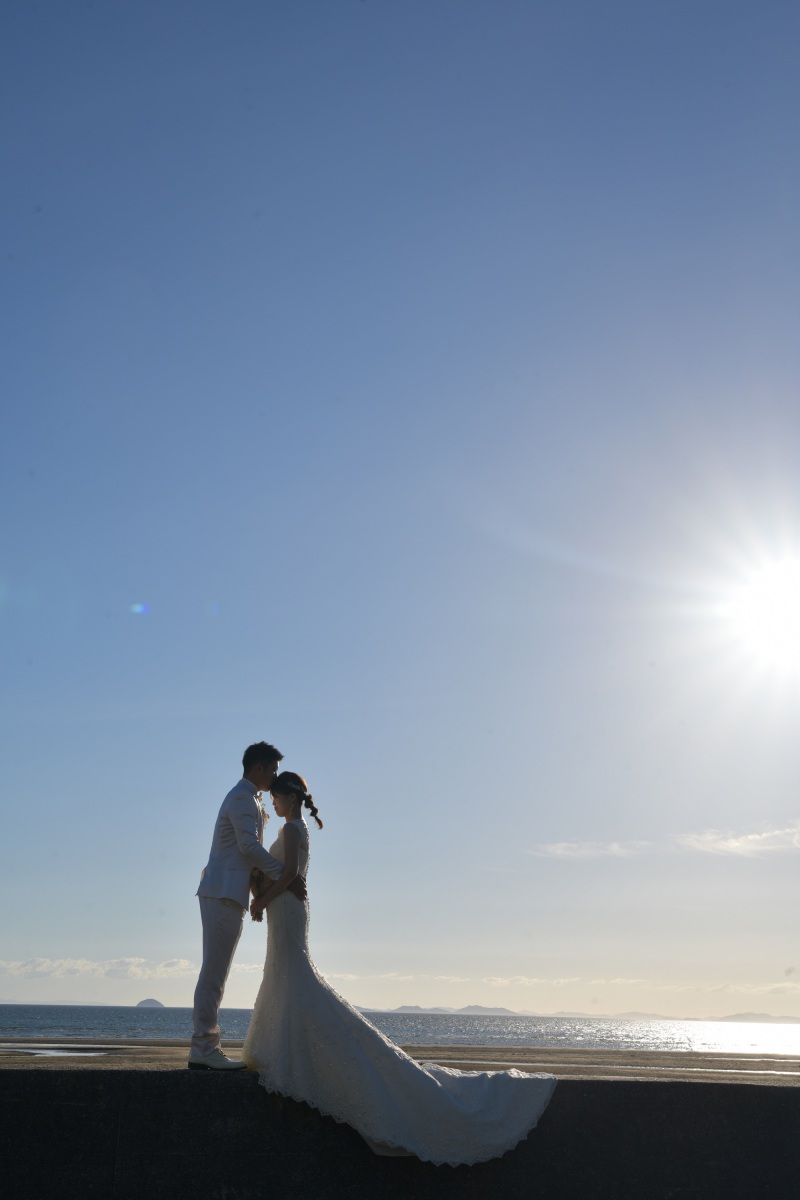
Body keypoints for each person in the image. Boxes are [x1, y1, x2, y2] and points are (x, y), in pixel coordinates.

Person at [243, 771, 556, 1164]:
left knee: (294, 973)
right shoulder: (299, 828)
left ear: (289, 797)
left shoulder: (291, 829)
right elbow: (287, 877)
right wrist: (266, 891)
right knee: (291, 973)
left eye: (276, 797)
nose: (272, 803)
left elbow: (288, 875)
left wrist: (259, 900)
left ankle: (292, 1052)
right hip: (290, 908)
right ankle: (287, 1046)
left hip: (286, 909)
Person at [188, 742, 307, 1070]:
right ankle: (203, 1047)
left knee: (218, 972)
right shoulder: (241, 797)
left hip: (230, 893)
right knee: (214, 972)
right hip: (222, 892)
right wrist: (283, 875)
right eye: (273, 770)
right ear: (259, 768)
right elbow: (248, 846)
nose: (275, 776)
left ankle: (206, 1045)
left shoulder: (249, 799)